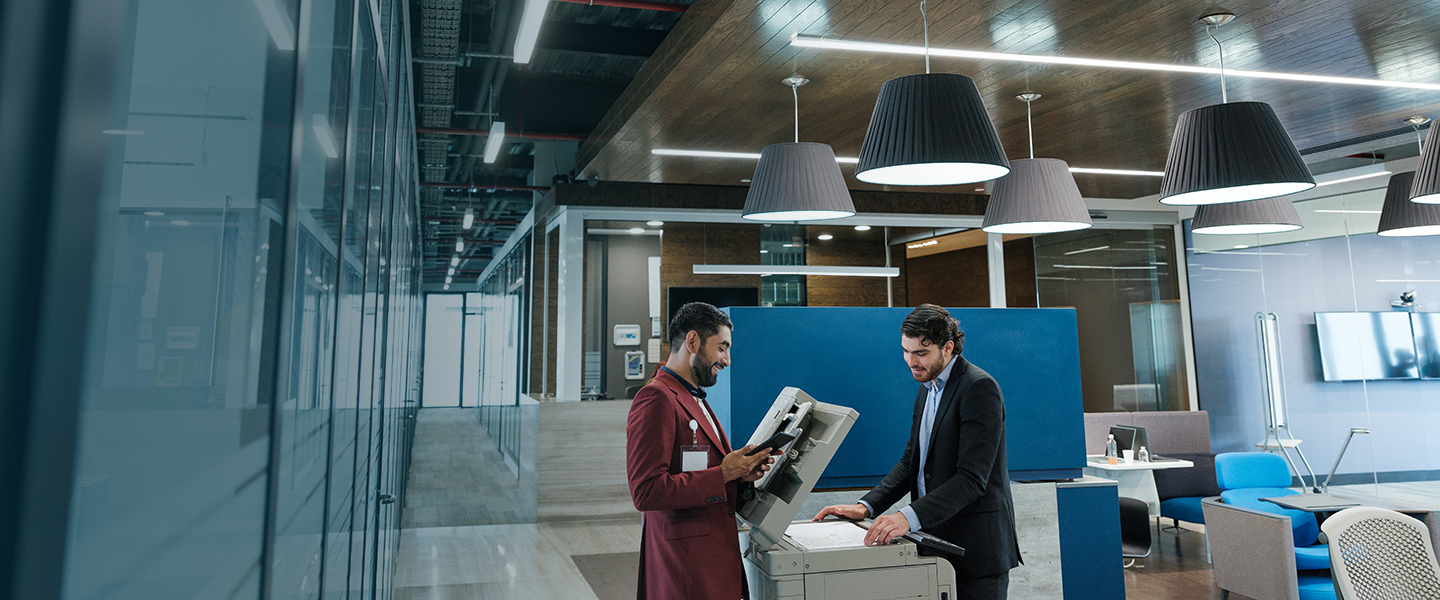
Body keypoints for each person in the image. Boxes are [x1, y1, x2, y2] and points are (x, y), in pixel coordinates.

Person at [813, 304, 1021, 600]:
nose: (911, 362)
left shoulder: (979, 388)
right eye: (905, 351)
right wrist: (866, 507)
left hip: (977, 552)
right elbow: (912, 460)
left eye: (921, 353)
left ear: (947, 348)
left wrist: (905, 517)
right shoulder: (928, 386)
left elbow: (972, 479)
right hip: (934, 542)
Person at [626, 302, 777, 600]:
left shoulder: (697, 399)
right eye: (722, 348)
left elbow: (703, 475)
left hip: (710, 563)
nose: (728, 360)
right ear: (693, 341)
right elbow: (645, 491)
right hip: (683, 571)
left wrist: (742, 476)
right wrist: (724, 473)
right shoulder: (656, 398)